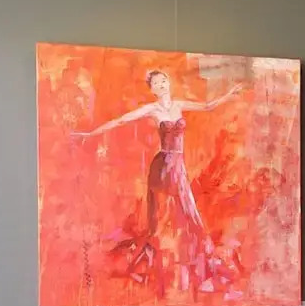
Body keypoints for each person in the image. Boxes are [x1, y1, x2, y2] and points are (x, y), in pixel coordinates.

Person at [73, 71, 243, 293]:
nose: (161, 85)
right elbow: (122, 120)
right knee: (166, 214)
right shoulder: (152, 110)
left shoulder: (179, 104)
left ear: (168, 83)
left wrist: (229, 94)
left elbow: (208, 106)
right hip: (162, 166)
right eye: (156, 83)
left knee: (188, 213)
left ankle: (192, 264)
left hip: (177, 165)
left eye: (163, 81)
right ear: (152, 89)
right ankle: (165, 265)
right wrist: (90, 134)